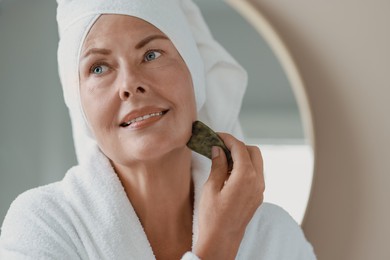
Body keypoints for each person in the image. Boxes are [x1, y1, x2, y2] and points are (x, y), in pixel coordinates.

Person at [0, 0, 316, 259]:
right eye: (98, 67)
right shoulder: (42, 226)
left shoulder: (273, 236)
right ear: (78, 101)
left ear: (195, 74)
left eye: (151, 54)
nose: (129, 85)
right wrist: (219, 245)